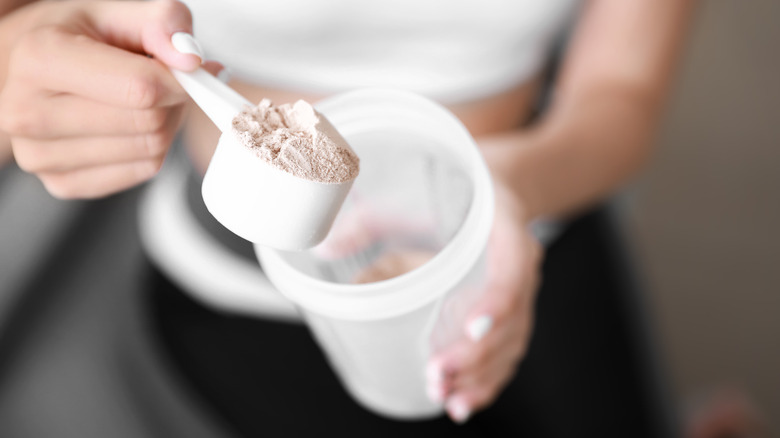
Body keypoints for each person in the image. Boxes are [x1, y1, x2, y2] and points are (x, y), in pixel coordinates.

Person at [0, 0, 696, 429]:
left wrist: (506, 191)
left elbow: (621, 90)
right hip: (243, 294)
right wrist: (16, 63)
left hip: (530, 228)